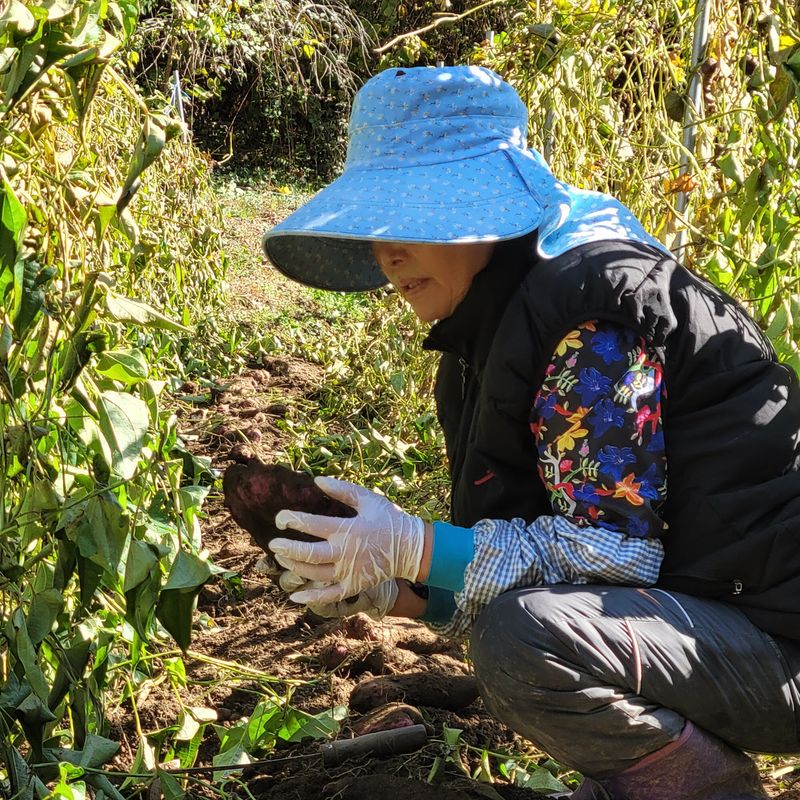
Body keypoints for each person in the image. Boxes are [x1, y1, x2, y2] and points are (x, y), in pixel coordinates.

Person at [260, 65, 800, 799]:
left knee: (524, 640)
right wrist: (391, 593)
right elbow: (532, 580)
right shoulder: (493, 336)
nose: (386, 253)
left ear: (482, 213)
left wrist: (413, 543)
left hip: (779, 648)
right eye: (376, 226)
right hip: (719, 630)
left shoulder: (591, 329)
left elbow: (610, 558)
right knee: (513, 632)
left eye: (411, 217)